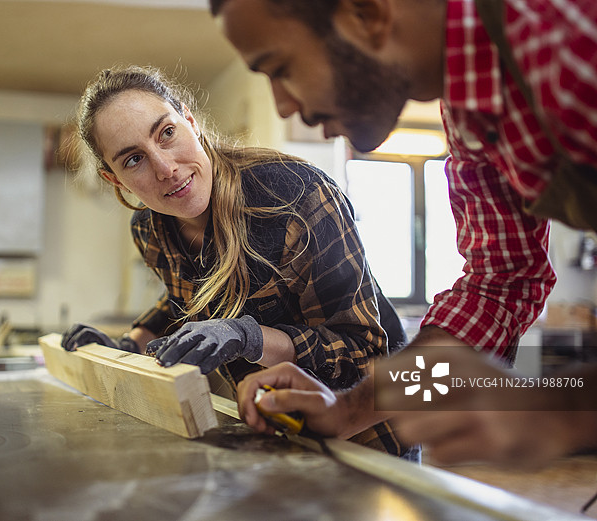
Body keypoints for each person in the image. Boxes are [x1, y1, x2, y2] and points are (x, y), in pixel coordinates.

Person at [208, 0, 597, 465]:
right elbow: (498, 284)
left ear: (366, 14)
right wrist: (348, 408)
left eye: (281, 68)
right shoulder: (469, 115)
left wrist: (559, 411)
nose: (286, 105)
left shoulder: (566, 48)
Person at [62, 64, 414, 458]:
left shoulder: (296, 196)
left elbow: (361, 352)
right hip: (277, 436)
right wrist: (126, 346)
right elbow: (185, 299)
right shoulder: (149, 230)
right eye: (132, 160)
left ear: (190, 121)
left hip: (368, 439)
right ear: (114, 180)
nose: (166, 168)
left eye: (166, 133)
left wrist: (250, 336)